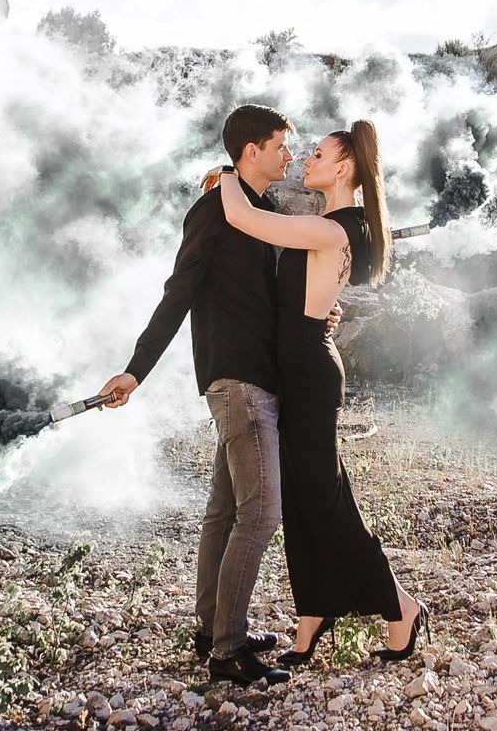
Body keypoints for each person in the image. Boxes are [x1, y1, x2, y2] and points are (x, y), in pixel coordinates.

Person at [96, 104, 343, 686]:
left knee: (225, 512)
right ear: (251, 151)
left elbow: (280, 299)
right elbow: (178, 291)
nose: (289, 156)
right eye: (281, 146)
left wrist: (319, 316)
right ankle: (228, 651)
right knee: (261, 514)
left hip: (260, 379)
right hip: (237, 380)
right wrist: (135, 370)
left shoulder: (261, 213)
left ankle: (212, 629)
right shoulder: (213, 211)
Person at [218, 119, 430, 666]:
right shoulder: (333, 224)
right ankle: (312, 615)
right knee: (304, 497)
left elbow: (244, 218)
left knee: (325, 499)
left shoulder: (335, 228)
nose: (306, 160)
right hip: (301, 366)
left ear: (344, 167)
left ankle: (401, 606)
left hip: (309, 374)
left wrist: (225, 173)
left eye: (317, 154)